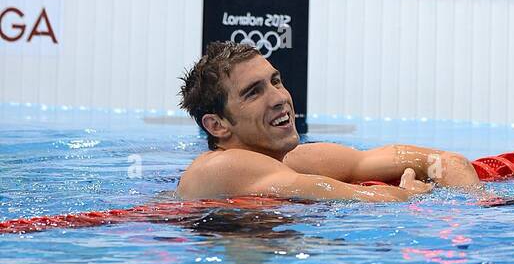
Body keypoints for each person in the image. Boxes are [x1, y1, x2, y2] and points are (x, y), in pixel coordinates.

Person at [177, 42, 481, 201]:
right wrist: (407, 196)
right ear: (217, 125)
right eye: (253, 93)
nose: (279, 97)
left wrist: (477, 203)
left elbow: (442, 160)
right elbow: (367, 200)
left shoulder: (301, 160)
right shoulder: (221, 167)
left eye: (276, 81)